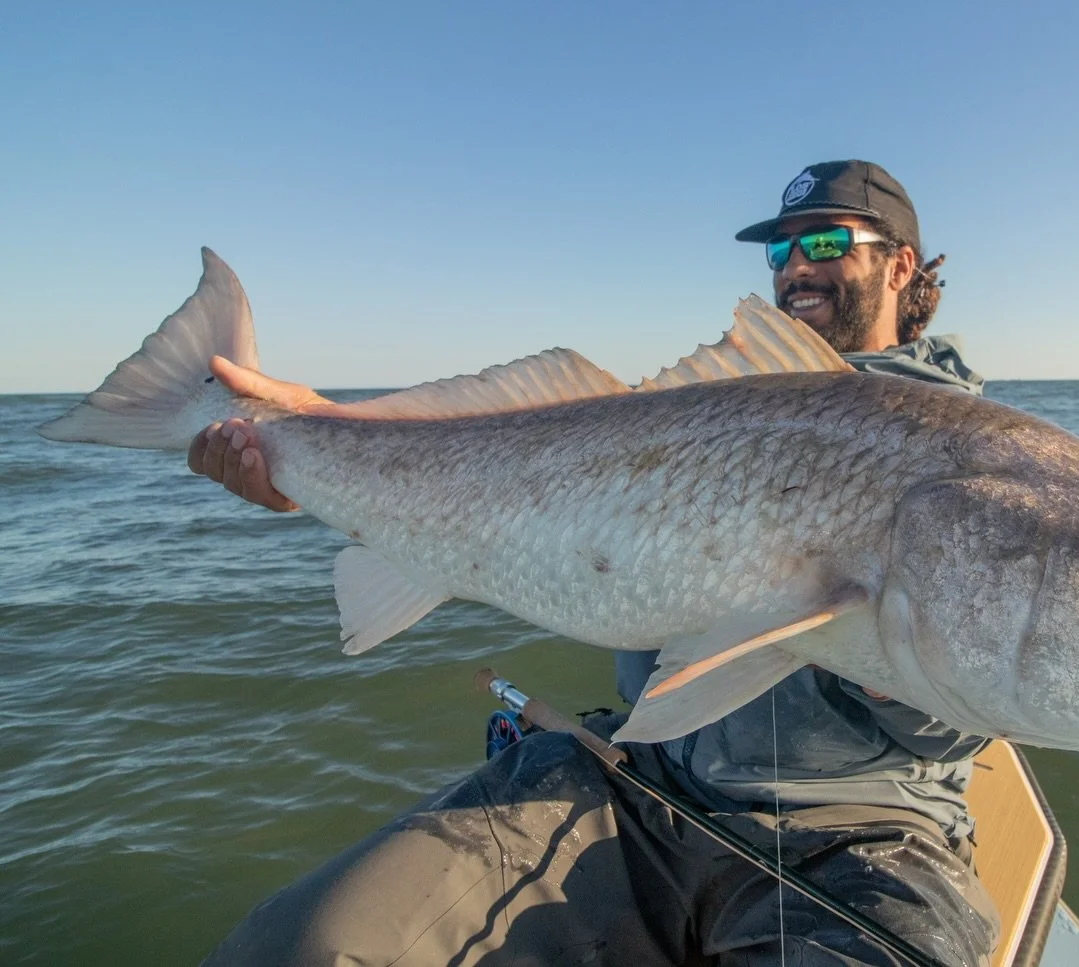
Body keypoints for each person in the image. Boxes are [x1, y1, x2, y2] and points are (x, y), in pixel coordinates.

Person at [195, 160, 999, 967]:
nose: (795, 264)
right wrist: (308, 451)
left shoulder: (977, 457)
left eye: (825, 240)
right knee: (301, 949)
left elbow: (973, 715)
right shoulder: (707, 411)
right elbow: (512, 505)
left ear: (901, 266)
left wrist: (889, 647)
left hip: (865, 835)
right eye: (779, 248)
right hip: (644, 785)